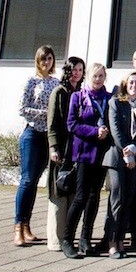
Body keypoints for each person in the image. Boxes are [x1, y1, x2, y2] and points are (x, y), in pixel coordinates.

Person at [62, 62, 112, 259]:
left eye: (101, 76)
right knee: (81, 197)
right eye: (94, 76)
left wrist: (106, 132)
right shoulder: (79, 97)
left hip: (102, 153)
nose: (98, 79)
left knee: (94, 197)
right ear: (88, 77)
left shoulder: (109, 98)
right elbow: (72, 124)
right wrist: (94, 132)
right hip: (84, 153)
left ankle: (86, 238)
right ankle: (68, 240)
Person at [102, 70, 136, 259]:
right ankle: (112, 241)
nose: (134, 86)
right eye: (131, 82)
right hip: (117, 158)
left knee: (130, 199)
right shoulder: (116, 102)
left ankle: (122, 239)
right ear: (125, 84)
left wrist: (135, 150)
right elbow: (115, 130)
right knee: (118, 197)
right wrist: (126, 151)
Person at [14, 45, 60, 247]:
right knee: (27, 180)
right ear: (38, 61)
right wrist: (45, 113)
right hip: (32, 134)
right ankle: (18, 225)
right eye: (43, 59)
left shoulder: (56, 83)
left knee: (35, 182)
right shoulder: (31, 81)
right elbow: (22, 108)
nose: (46, 62)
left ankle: (27, 225)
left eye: (49, 58)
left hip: (47, 137)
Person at [46, 56, 85, 251]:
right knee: (58, 192)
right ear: (68, 71)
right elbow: (51, 123)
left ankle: (68, 237)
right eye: (74, 69)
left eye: (80, 70)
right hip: (61, 149)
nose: (77, 73)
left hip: (76, 150)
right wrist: (53, 147)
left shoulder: (81, 93)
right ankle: (55, 240)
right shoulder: (58, 92)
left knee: (71, 191)